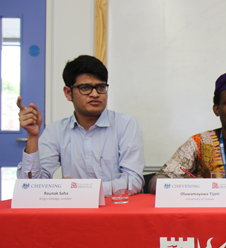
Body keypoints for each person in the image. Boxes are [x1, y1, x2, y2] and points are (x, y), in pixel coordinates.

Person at [17, 55, 145, 195]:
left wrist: (80, 189)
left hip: (114, 210)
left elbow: (133, 181)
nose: (95, 94)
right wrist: (33, 136)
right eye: (85, 88)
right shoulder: (56, 131)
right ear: (68, 93)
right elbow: (31, 187)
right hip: (73, 212)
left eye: (100, 87)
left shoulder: (125, 125)